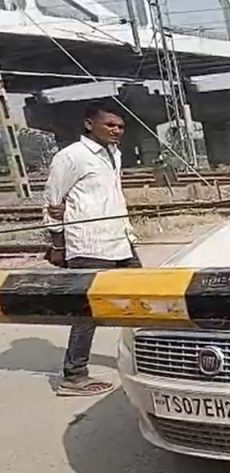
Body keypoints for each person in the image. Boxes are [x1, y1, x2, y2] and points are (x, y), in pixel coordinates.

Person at [43, 101, 139, 397]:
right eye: (109, 124)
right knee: (86, 312)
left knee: (146, 300)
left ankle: (151, 360)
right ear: (89, 124)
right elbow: (52, 201)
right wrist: (57, 243)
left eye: (120, 126)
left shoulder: (114, 154)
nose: (116, 130)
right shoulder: (71, 157)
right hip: (88, 244)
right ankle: (73, 375)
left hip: (120, 240)